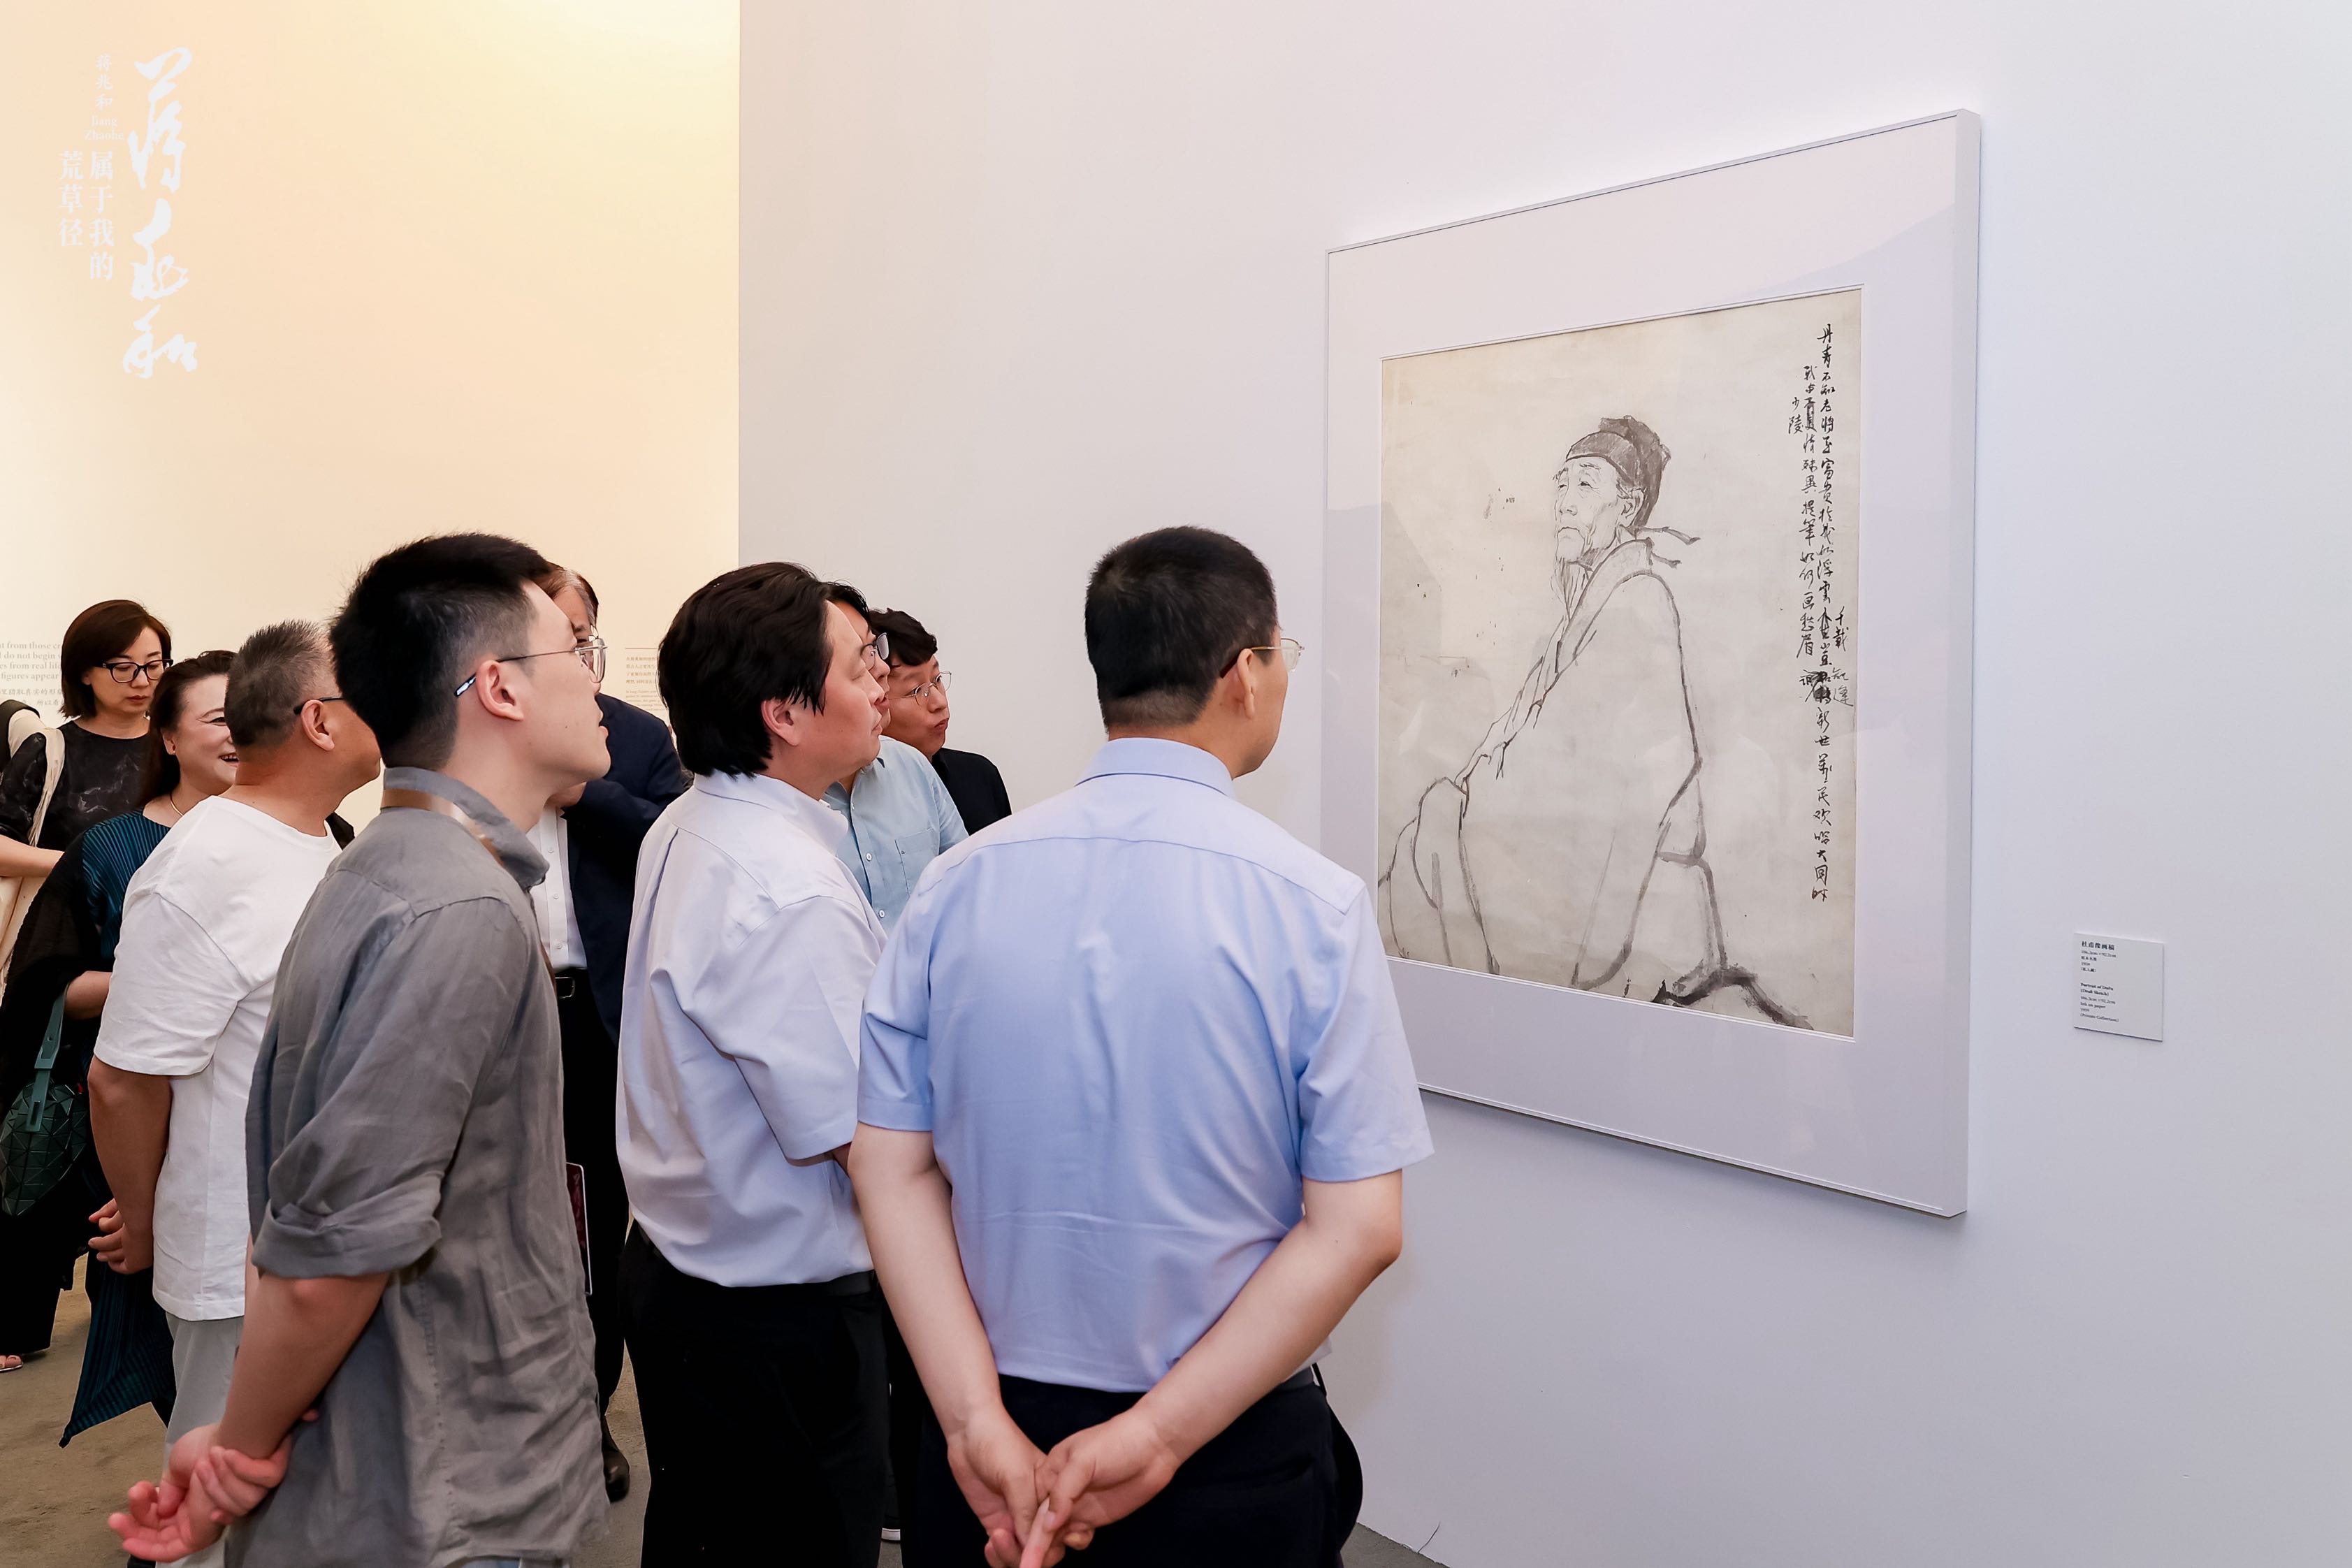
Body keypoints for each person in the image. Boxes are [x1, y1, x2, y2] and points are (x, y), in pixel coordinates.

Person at [852, 526, 1432, 1567]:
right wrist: (1158, 1435)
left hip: (992, 1440)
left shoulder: (955, 885)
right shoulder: (1313, 905)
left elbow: (889, 1169)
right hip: (1226, 1444)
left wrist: (972, 1422)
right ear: (1245, 673)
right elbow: (1359, 1228)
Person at [109, 533, 612, 1567]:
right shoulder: (453, 907)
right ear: (500, 688)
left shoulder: (387, 864)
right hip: (449, 1495)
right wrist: (239, 1448)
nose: (597, 678)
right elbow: (334, 1249)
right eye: (576, 650)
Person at [617, 561, 893, 1567]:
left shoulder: (694, 820)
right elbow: (861, 1142)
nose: (881, 681)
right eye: (860, 664)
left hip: (688, 1280)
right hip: (777, 1323)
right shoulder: (785, 886)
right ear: (784, 712)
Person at [87, 623, 379, 1568]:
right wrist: (143, 1219)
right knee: (219, 1519)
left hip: (304, 1245)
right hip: (231, 1257)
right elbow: (123, 1079)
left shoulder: (314, 841)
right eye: (369, 692)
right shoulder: (205, 865)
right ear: (320, 722)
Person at [1379, 417, 1806, 1026]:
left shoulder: (1638, 600)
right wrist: (1474, 783)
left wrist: (1469, 797)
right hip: (1577, 856)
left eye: (1585, 484)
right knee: (1440, 814)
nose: (1565, 501)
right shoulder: (1586, 608)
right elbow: (1519, 731)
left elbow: (1585, 763)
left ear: (1627, 507)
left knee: (1440, 818)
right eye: (1562, 484)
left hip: (1627, 881)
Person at [0, 649, 234, 1382]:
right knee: (158, 1327)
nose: (241, 733)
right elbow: (45, 989)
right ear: (170, 737)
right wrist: (170, 974)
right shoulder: (110, 849)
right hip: (132, 1108)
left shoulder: (322, 834)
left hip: (254, 1117)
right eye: (220, 718)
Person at [529, 562, 688, 1503]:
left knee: (597, 1237)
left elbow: (670, 839)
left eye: (578, 634)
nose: (570, 650)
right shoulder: (481, 735)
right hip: (502, 1015)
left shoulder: (630, 736)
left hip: (597, 1019)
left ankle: (585, 1418)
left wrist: (581, 793)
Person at [1, 601, 175, 961]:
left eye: (154, 666)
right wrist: (82, 865)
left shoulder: (177, 747)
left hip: (162, 938)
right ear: (84, 672)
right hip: (63, 941)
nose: (142, 681)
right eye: (123, 668)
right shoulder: (48, 750)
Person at [820, 591, 966, 931]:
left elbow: (967, 889)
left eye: (873, 649)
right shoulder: (789, 794)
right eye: (859, 656)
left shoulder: (912, 766)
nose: (881, 669)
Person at [866, 608, 1011, 833]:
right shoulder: (859, 801)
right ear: (877, 699)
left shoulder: (979, 776)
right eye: (915, 690)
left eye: (937, 680)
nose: (939, 702)